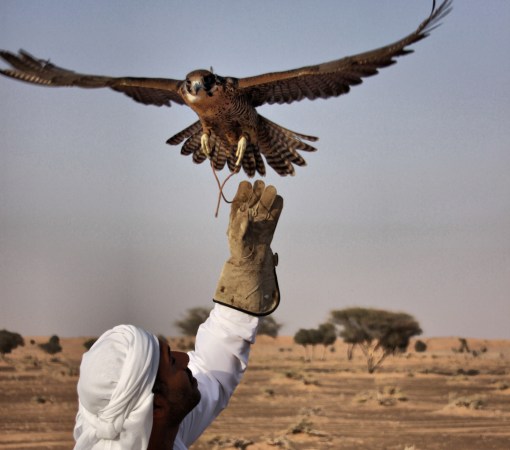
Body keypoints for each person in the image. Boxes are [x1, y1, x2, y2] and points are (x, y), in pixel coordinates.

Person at [73, 180, 284, 450]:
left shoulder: (158, 427)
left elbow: (212, 371)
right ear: (157, 406)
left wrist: (246, 270)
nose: (186, 358)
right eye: (172, 362)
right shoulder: (158, 427)